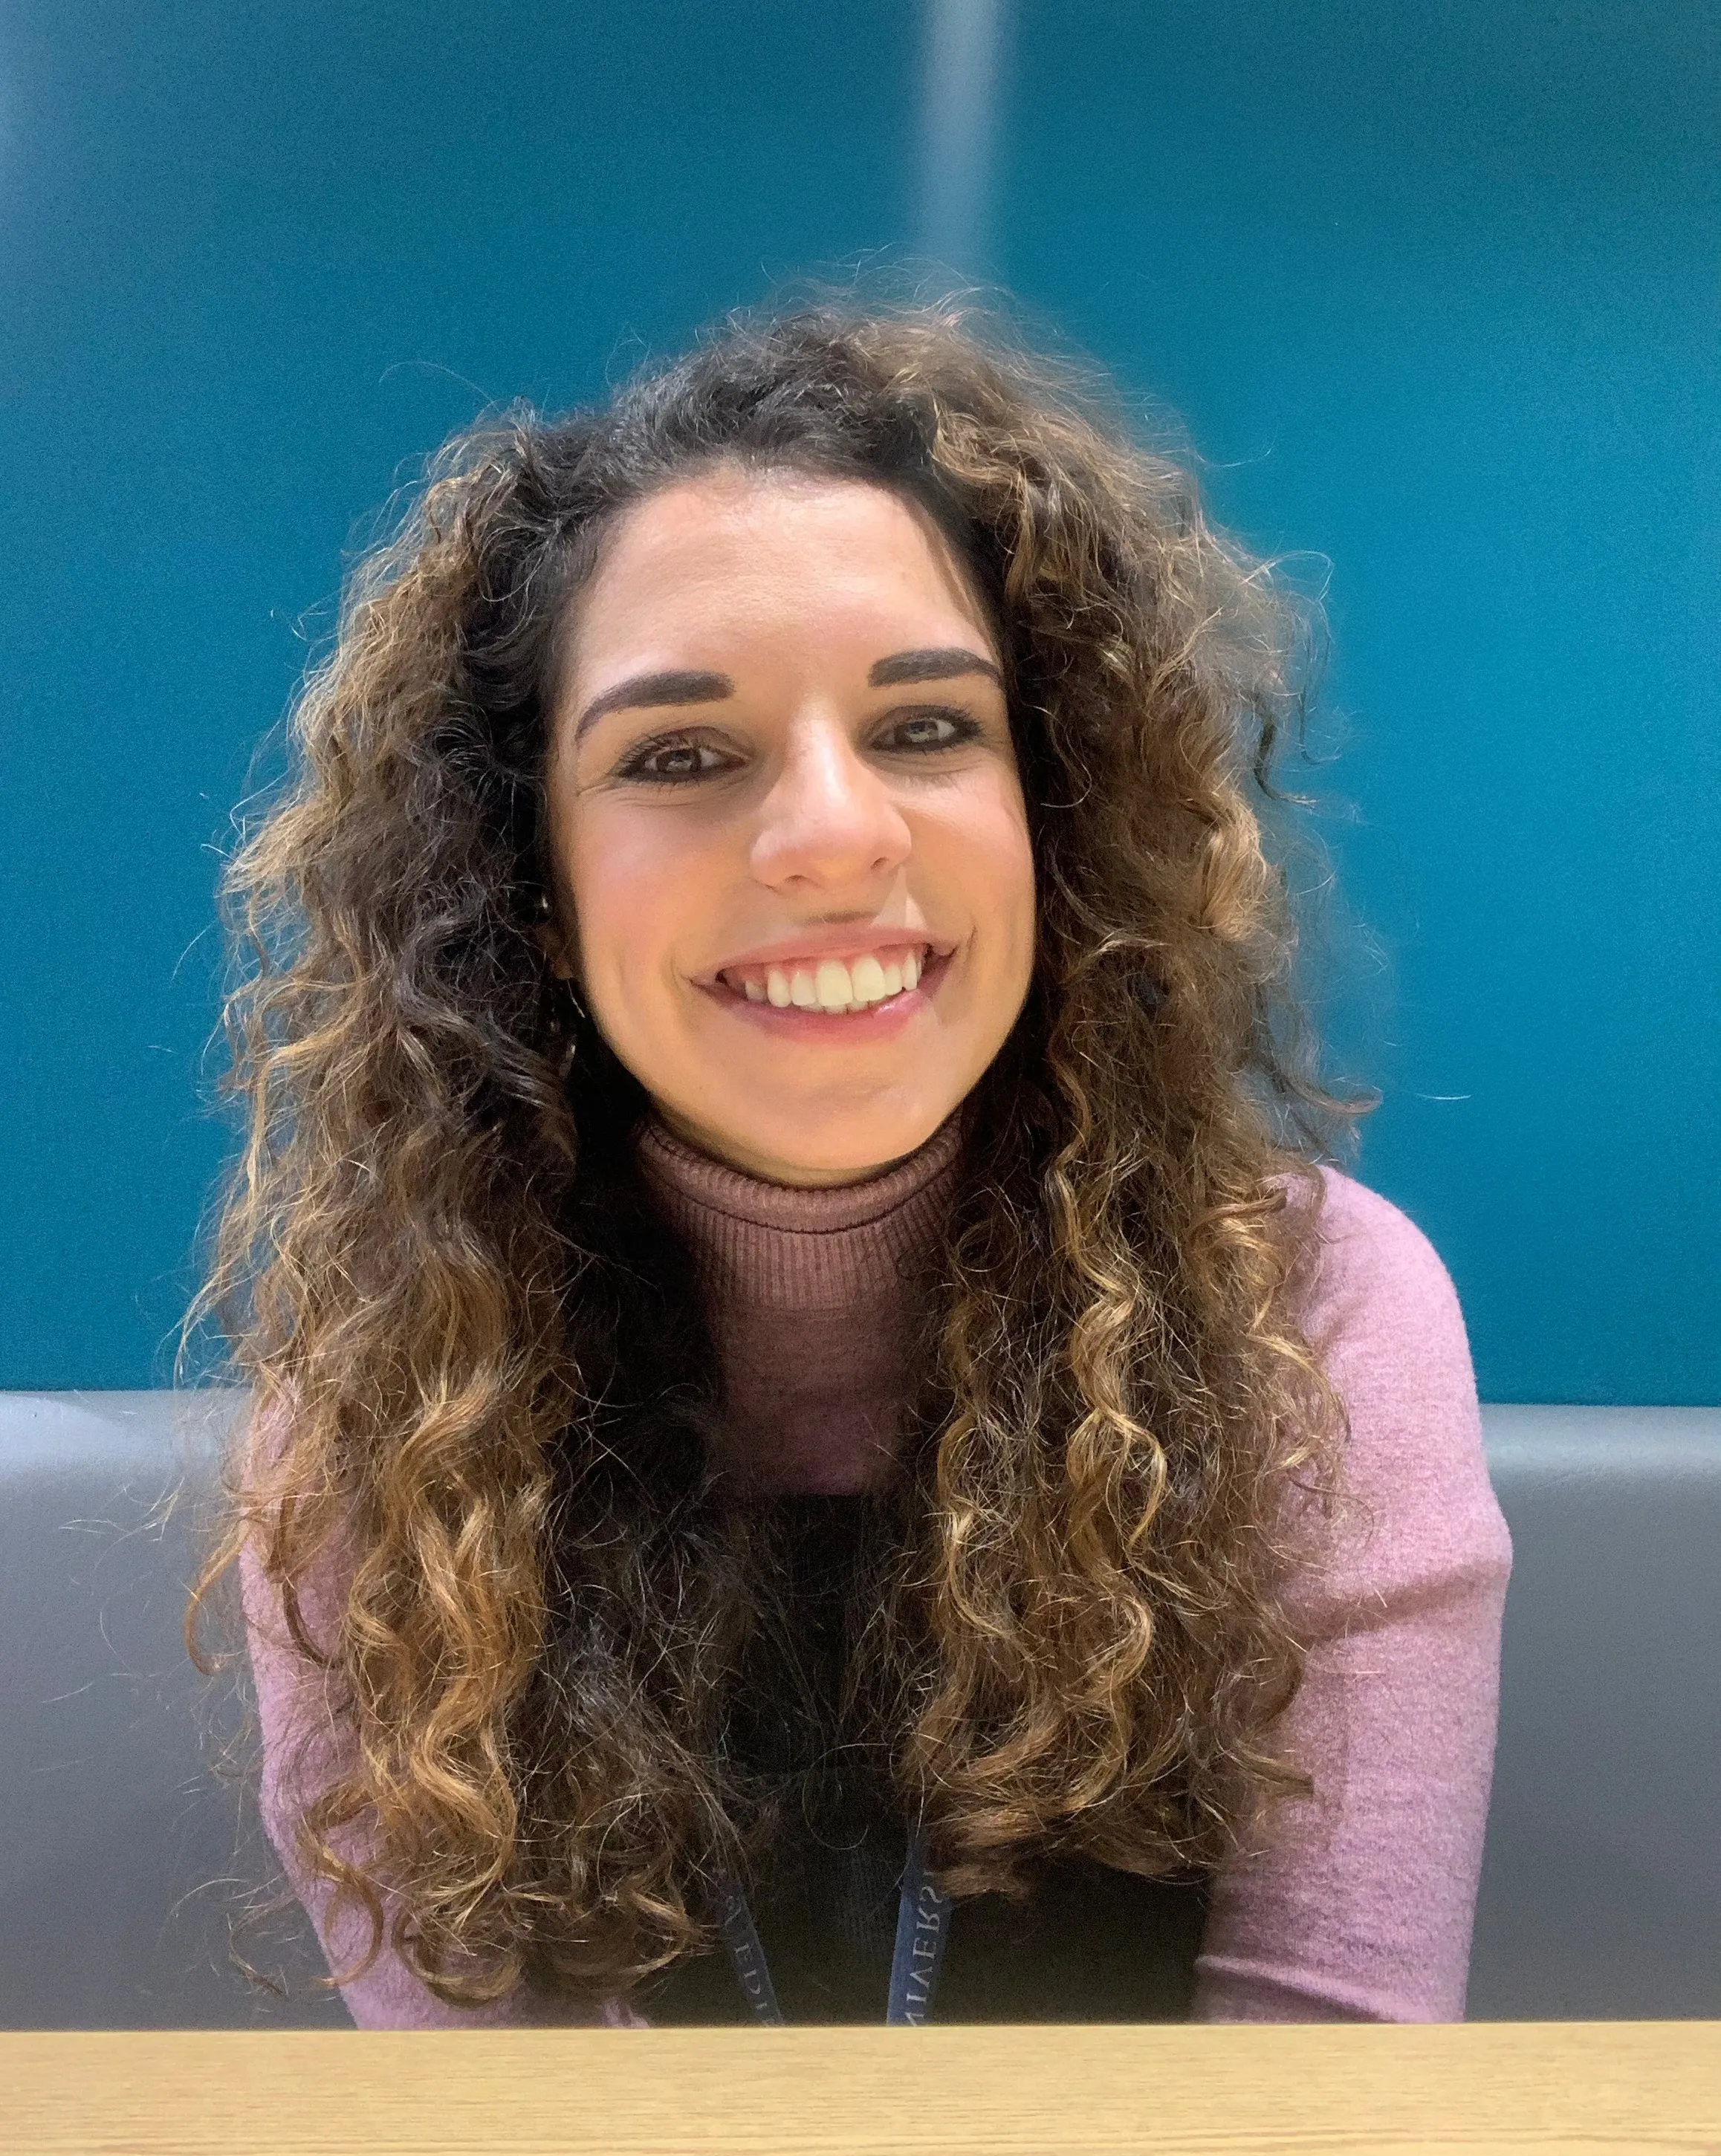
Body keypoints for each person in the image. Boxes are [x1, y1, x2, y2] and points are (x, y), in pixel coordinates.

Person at [189, 303, 1511, 2029]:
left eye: (927, 728)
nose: (831, 830)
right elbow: (498, 2136)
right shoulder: (394, 1409)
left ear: (1053, 814)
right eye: (679, 753)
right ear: (528, 883)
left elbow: (1326, 2104)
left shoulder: (1320, 1318)